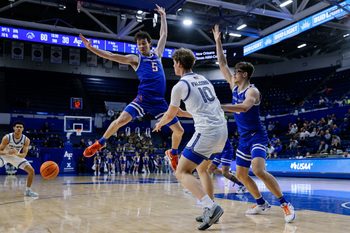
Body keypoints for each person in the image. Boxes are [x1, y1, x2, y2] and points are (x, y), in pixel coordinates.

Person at [80, 5, 183, 170]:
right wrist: (92, 48)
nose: (141, 46)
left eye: (143, 43)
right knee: (120, 120)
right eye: (138, 44)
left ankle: (173, 152)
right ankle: (100, 143)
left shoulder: (157, 54)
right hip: (142, 99)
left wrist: (163, 16)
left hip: (159, 102)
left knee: (179, 131)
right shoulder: (135, 59)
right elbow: (112, 56)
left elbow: (163, 34)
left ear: (149, 43)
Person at [213, 24, 295, 223]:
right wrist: (218, 41)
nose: (233, 73)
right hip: (244, 138)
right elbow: (222, 64)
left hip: (257, 135)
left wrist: (220, 106)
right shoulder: (234, 85)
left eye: (238, 72)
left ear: (245, 75)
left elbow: (243, 108)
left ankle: (285, 204)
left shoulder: (252, 92)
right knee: (241, 174)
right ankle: (260, 203)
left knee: (258, 169)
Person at [153, 48, 227, 230]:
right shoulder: (204, 80)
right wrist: (182, 113)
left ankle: (211, 206)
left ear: (178, 63)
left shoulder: (179, 86)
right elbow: (203, 110)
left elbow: (170, 114)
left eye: (173, 63)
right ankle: (211, 211)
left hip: (207, 132)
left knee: (181, 172)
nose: (173, 66)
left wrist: (160, 124)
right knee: (202, 169)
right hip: (222, 130)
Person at [0, 122, 38, 197]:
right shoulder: (7, 138)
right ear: (14, 128)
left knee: (31, 171)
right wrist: (7, 152)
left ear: (23, 129)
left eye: (21, 127)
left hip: (16, 157)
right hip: (5, 156)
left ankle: (28, 191)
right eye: (17, 127)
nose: (19, 128)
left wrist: (16, 153)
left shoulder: (26, 140)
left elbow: (24, 154)